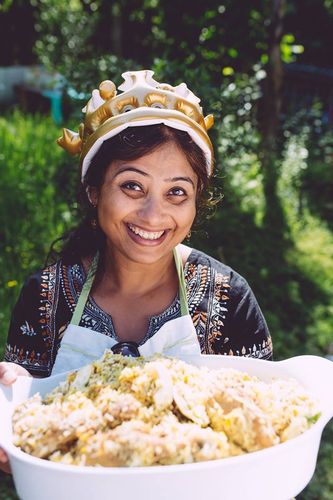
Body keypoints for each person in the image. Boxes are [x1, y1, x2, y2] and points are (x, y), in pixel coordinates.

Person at [0, 70, 272, 473]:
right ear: (94, 190)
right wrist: (11, 405)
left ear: (197, 202)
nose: (153, 214)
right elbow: (20, 454)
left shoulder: (227, 297)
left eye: (176, 192)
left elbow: (266, 433)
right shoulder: (46, 295)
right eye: (132, 186)